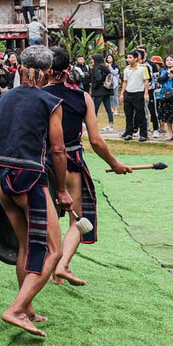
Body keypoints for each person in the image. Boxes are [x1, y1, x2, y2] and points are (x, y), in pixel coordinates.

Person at [0, 45, 71, 338]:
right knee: (53, 250)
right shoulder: (50, 102)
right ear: (46, 72)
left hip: (1, 180)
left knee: (25, 245)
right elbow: (58, 150)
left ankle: (28, 309)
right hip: (30, 179)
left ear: (19, 68)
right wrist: (63, 191)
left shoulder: (4, 98)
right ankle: (17, 308)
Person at [42, 49, 131, 286]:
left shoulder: (37, 96)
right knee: (77, 219)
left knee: (46, 220)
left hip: (41, 165)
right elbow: (96, 140)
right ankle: (62, 265)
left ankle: (53, 266)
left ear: (47, 70)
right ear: (69, 69)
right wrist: (115, 163)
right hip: (70, 162)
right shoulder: (83, 97)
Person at [120, 51, 149, 142]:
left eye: (130, 57)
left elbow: (146, 81)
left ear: (136, 58)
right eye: (127, 57)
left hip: (138, 93)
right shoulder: (126, 69)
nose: (128, 59)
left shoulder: (142, 68)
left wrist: (146, 93)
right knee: (128, 115)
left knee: (140, 115)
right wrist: (122, 94)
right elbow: (125, 81)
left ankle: (143, 134)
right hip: (128, 93)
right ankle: (129, 133)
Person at [154, 57, 173, 142]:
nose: (169, 62)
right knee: (167, 116)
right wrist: (166, 75)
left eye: (171, 60)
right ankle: (170, 133)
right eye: (167, 60)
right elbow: (159, 80)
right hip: (165, 96)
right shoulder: (163, 71)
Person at [89, 53, 115, 132]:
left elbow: (98, 79)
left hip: (99, 91)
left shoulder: (96, 68)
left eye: (92, 59)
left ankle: (92, 125)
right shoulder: (104, 67)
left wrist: (94, 86)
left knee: (95, 108)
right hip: (106, 90)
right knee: (108, 108)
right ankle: (111, 124)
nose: (91, 60)